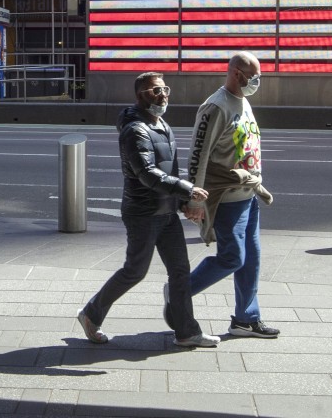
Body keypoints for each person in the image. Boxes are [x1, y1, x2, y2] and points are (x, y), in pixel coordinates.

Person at [77, 72, 220, 348]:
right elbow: (146, 172)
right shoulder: (135, 130)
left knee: (180, 271)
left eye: (165, 89)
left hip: (165, 213)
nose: (163, 94)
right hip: (142, 213)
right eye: (155, 90)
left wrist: (181, 203)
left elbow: (170, 168)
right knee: (135, 271)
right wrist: (186, 189)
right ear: (140, 95)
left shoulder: (162, 124)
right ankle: (91, 314)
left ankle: (186, 332)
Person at [166, 52, 281, 339]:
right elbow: (198, 155)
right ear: (236, 74)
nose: (257, 82)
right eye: (253, 77)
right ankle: (180, 291)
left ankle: (246, 319)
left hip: (247, 195)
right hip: (227, 197)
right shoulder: (215, 107)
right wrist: (195, 199)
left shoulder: (242, 100)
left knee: (250, 260)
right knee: (233, 257)